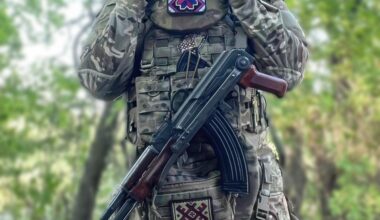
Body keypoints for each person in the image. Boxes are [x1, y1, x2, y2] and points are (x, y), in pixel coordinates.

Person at [78, 0, 308, 219]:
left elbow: (289, 72)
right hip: (162, 191)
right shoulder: (134, 7)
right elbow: (99, 82)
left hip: (253, 199)